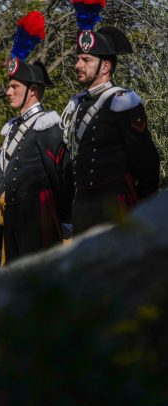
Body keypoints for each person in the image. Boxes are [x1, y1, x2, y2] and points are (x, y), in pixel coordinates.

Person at [61, 3, 159, 235]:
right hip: (82, 209)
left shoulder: (123, 103)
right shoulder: (78, 104)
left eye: (86, 60)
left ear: (105, 66)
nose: (77, 65)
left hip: (114, 209)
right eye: (78, 59)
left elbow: (147, 161)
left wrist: (144, 211)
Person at [0, 11, 70, 264]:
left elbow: (60, 174)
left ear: (33, 91)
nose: (8, 92)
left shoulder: (46, 125)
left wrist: (64, 218)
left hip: (39, 215)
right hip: (15, 215)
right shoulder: (12, 127)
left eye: (14, 87)